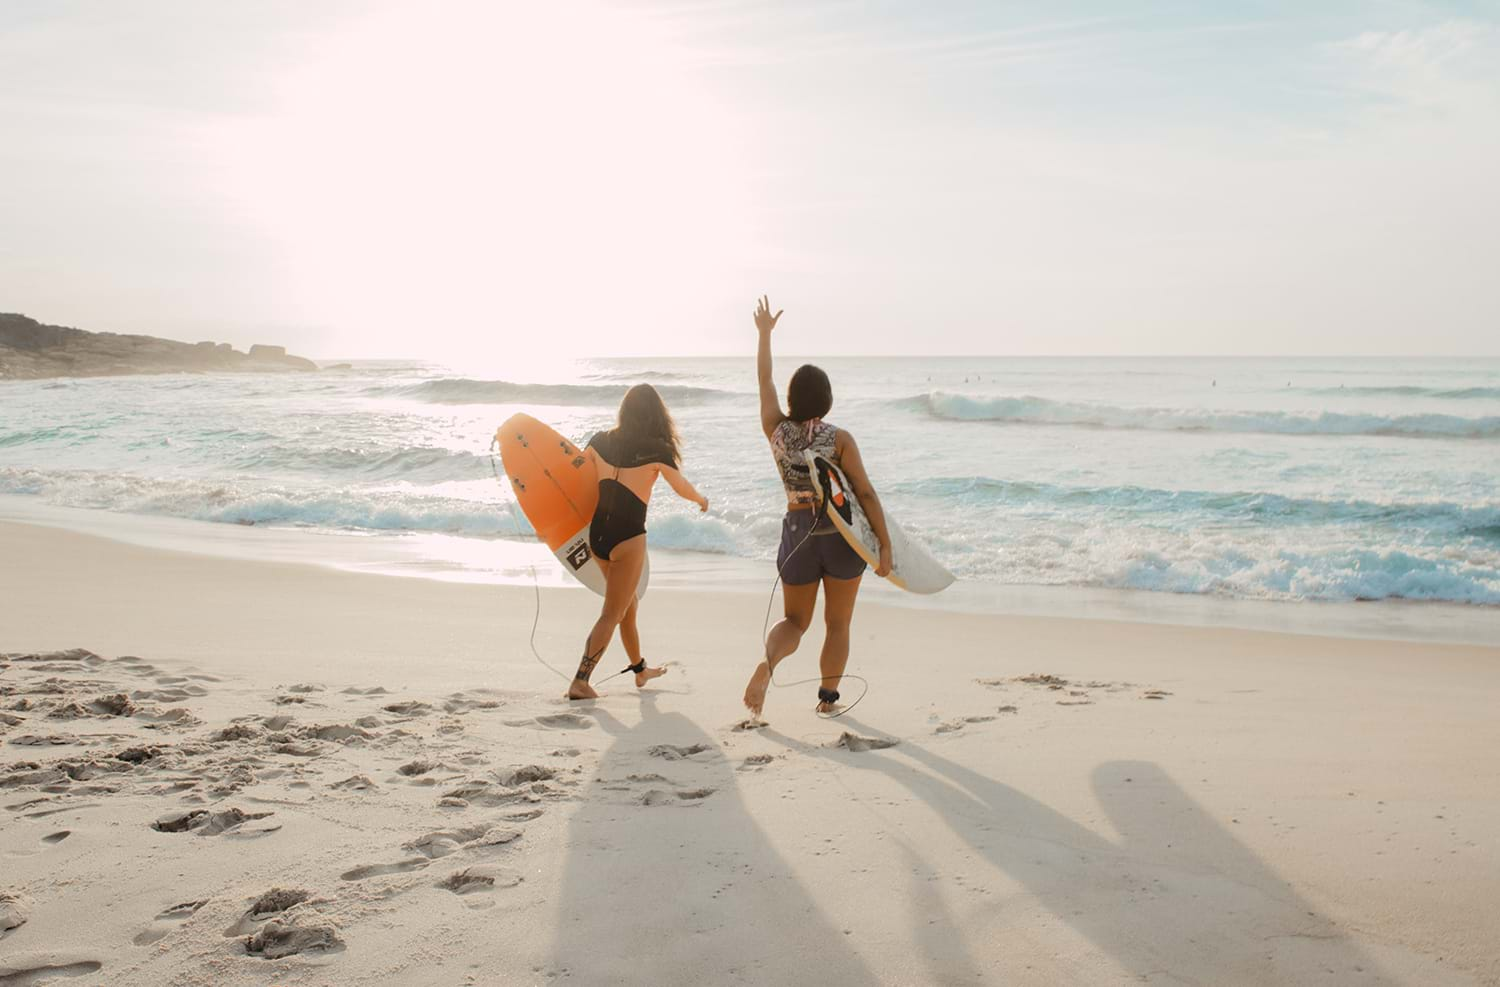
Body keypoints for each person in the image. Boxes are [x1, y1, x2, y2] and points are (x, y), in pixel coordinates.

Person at [743, 296, 893, 717]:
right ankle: (827, 701)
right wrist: (885, 544)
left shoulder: (776, 430)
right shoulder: (839, 438)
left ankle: (767, 666)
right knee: (837, 624)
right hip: (841, 536)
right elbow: (864, 493)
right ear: (827, 399)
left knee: (795, 622)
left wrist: (765, 335)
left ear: (792, 398)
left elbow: (764, 380)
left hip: (797, 533)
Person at [568, 384, 708, 700]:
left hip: (598, 537)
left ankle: (640, 670)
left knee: (627, 605)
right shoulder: (657, 450)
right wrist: (701, 500)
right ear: (657, 414)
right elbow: (681, 486)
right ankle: (580, 680)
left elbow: (574, 472)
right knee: (612, 612)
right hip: (628, 538)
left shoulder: (600, 440)